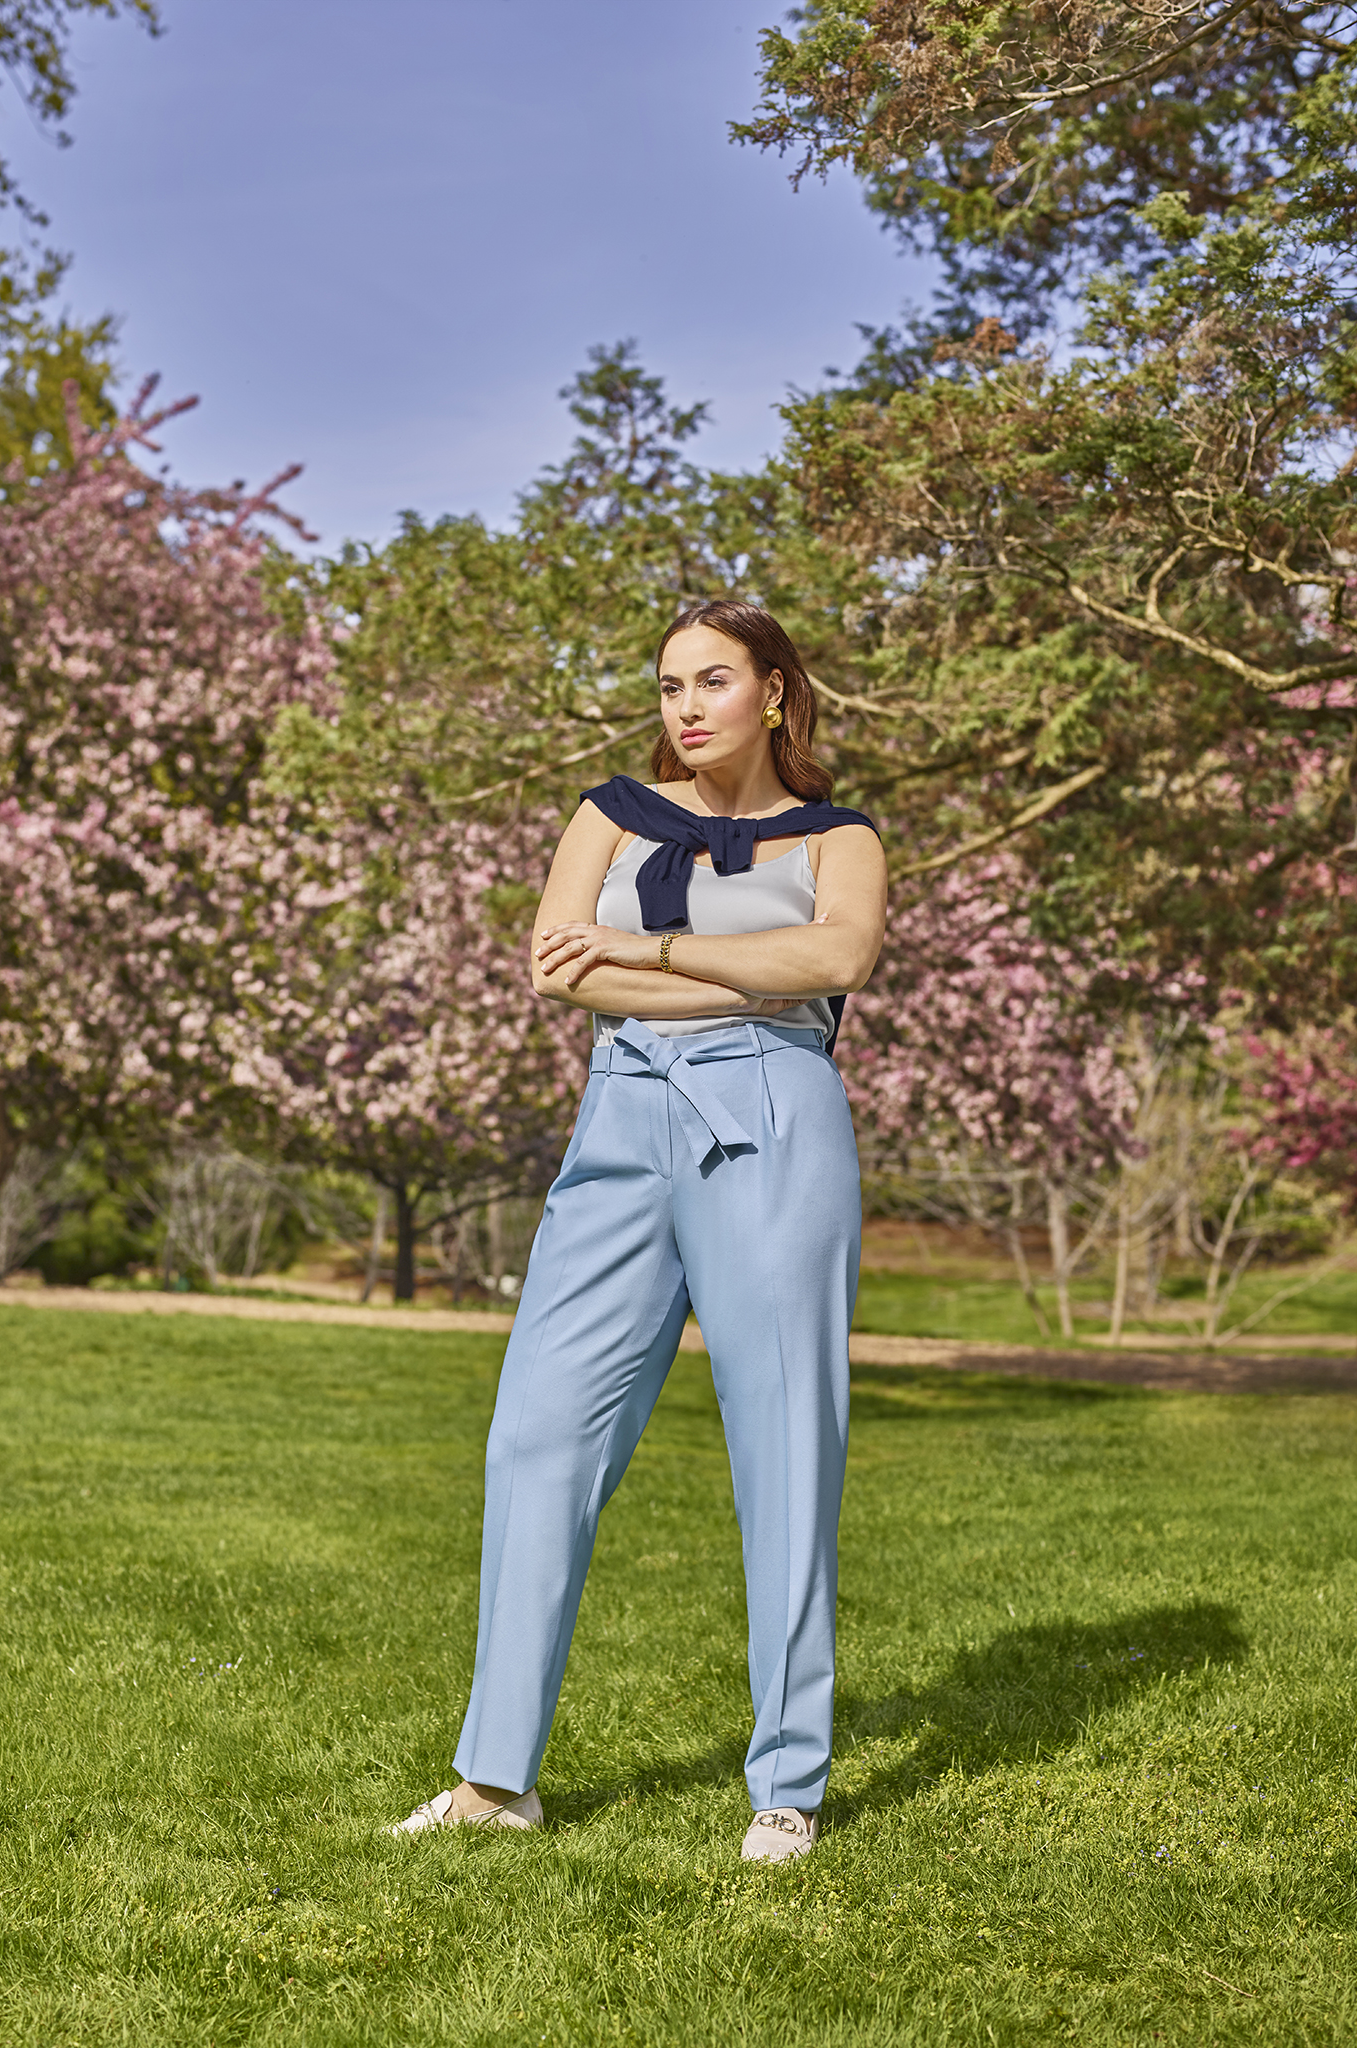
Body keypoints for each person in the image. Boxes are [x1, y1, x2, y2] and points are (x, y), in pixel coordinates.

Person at [391, 600, 887, 1861]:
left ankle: (787, 1783)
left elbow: (834, 959)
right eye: (668, 683)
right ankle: (495, 1780)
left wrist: (646, 942)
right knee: (535, 1432)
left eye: (712, 679)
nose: (684, 704)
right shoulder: (610, 811)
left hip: (774, 1118)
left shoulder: (837, 836)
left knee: (784, 1448)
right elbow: (558, 968)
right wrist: (726, 962)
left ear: (774, 691)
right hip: (620, 1119)